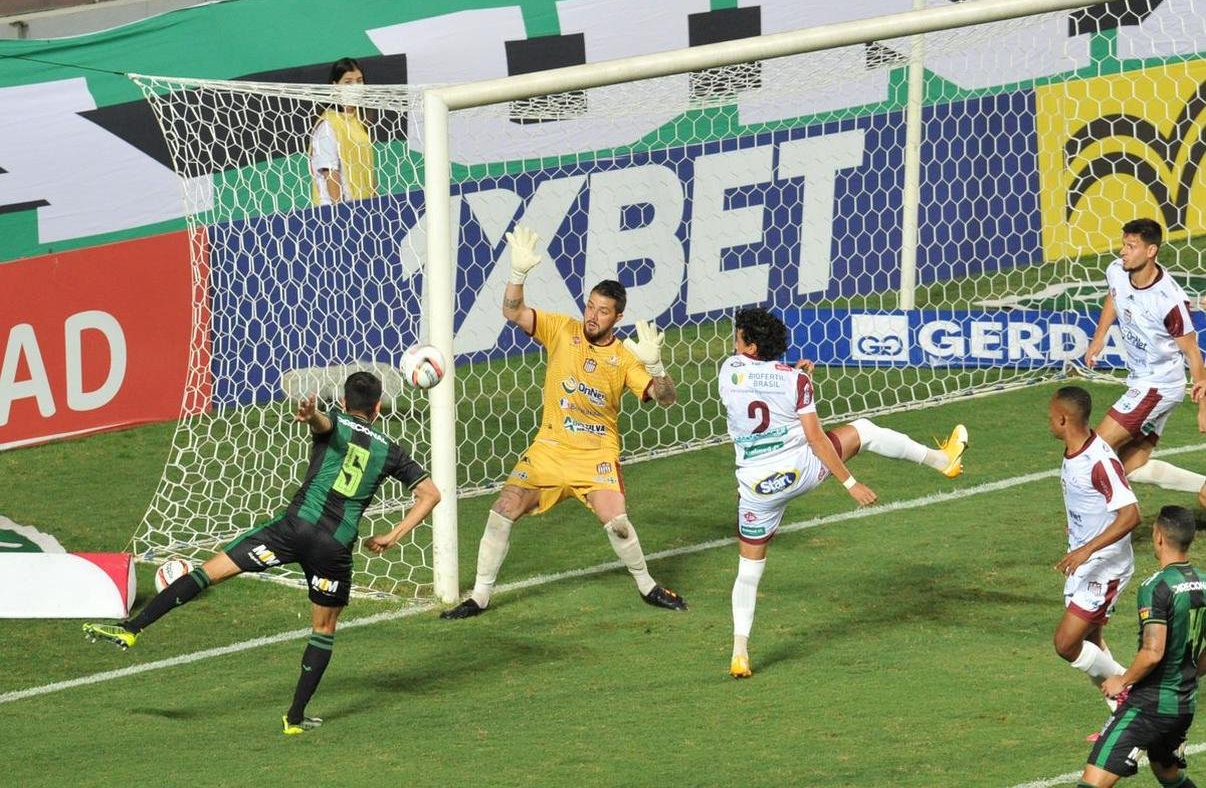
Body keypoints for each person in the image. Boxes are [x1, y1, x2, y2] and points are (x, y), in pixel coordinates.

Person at [83, 372, 439, 735]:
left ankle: (132, 629)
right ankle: (295, 719)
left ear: (345, 402)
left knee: (208, 572)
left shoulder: (336, 422)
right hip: (333, 549)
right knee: (323, 629)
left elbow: (324, 424)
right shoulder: (392, 451)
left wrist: (312, 415)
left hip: (292, 532)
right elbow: (430, 494)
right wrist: (393, 535)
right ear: (378, 408)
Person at [440, 224, 687, 619]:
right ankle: (480, 596)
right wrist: (517, 274)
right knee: (503, 507)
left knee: (619, 524)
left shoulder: (624, 358)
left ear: (617, 317)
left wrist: (655, 366)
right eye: (590, 306)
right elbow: (512, 311)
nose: (592, 315)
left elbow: (666, 399)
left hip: (596, 458)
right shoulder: (561, 329)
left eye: (602, 311)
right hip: (549, 452)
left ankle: (647, 586)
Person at [719, 307, 968, 678]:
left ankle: (740, 651)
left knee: (749, 571)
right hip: (798, 471)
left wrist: (793, 383)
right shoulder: (794, 381)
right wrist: (851, 483)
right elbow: (816, 437)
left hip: (756, 487)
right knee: (864, 431)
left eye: (738, 336)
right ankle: (942, 460)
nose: (734, 341)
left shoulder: (728, 370)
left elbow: (758, 394)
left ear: (750, 347)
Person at [1078, 505, 1206, 788]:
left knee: (1091, 783)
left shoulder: (1156, 586)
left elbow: (1152, 651)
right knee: (1167, 772)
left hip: (1148, 707)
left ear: (1158, 536)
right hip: (1183, 705)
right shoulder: (1204, 583)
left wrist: (1121, 681)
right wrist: (1186, 676)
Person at [1084, 218, 1206, 508]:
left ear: (1151, 251)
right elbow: (1115, 295)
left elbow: (1192, 352)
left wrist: (1203, 407)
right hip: (1142, 381)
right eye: (1123, 244)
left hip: (1159, 386)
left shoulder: (1169, 300)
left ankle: (1097, 523)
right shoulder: (1117, 270)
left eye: (1131, 246)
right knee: (1131, 466)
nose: (1123, 251)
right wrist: (1099, 337)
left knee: (1095, 450)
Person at [1049, 386, 1142, 736]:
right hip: (1084, 562)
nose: (1049, 421)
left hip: (1104, 566)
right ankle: (1122, 714)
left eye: (1051, 416)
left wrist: (1086, 549)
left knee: (1066, 643)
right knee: (1091, 644)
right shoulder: (1074, 450)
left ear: (1063, 418)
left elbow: (1131, 515)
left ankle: (1133, 697)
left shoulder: (1099, 461)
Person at [310, 57, 376, 206]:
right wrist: (342, 214)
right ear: (335, 86)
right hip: (338, 213)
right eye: (348, 82)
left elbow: (368, 170)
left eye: (359, 81)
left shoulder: (358, 122)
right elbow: (330, 173)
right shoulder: (327, 124)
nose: (355, 86)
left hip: (364, 208)